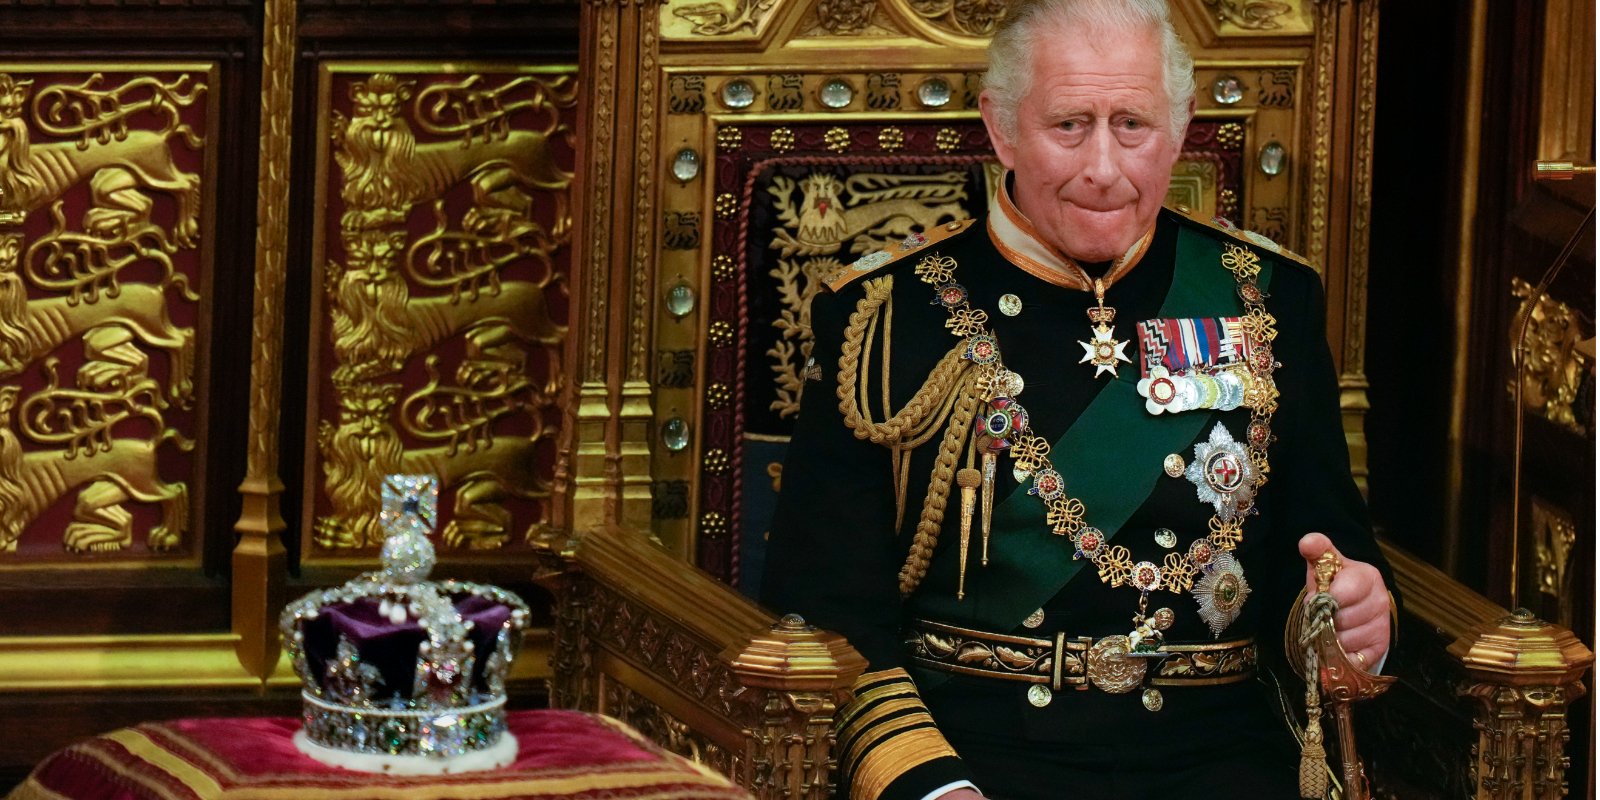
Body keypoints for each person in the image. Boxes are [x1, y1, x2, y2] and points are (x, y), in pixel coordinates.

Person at [759, 0, 1397, 798]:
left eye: (1133, 124)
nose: (1103, 165)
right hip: (978, 756)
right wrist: (924, 784)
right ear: (1000, 129)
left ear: (1181, 123)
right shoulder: (888, 318)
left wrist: (1346, 620)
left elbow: (1328, 553)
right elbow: (822, 607)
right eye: (1069, 125)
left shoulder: (1268, 298)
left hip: (1222, 760)